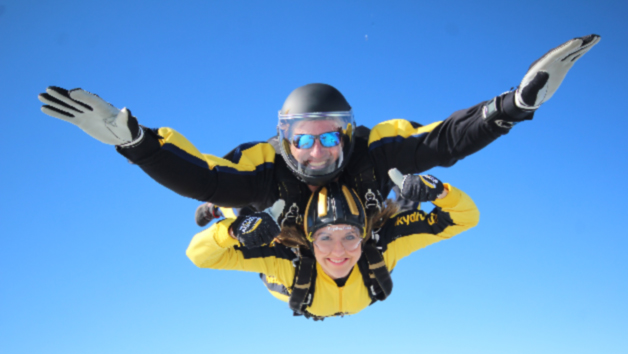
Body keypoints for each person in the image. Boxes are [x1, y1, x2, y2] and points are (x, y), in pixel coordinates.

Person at [38, 35, 600, 234]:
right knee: (228, 198)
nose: (316, 151)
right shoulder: (265, 169)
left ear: (349, 135)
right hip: (284, 235)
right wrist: (133, 142)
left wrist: (513, 106)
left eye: (331, 137)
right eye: (301, 139)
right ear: (282, 141)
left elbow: (444, 140)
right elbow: (197, 174)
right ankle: (226, 217)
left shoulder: (375, 152)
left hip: (357, 229)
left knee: (391, 205)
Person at [186, 168, 479, 319]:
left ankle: (400, 186)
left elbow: (464, 219)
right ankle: (218, 207)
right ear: (310, 240)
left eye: (350, 236)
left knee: (402, 203)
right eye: (325, 237)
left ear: (365, 235)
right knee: (252, 215)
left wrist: (440, 192)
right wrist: (235, 231)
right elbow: (199, 256)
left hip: (362, 235)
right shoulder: (284, 259)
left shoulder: (383, 242)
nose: (338, 251)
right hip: (292, 269)